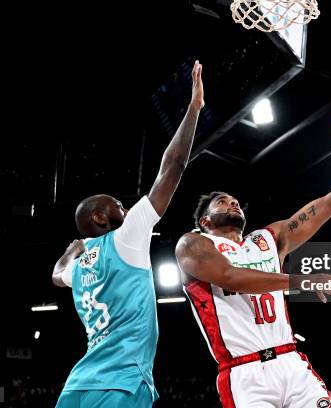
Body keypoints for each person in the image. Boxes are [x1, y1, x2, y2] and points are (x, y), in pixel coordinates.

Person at [175, 117, 331, 408]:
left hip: (291, 363)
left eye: (234, 201)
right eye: (222, 202)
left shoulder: (269, 238)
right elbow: (229, 276)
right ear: (205, 220)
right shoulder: (193, 244)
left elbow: (329, 203)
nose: (233, 203)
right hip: (244, 374)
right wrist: (301, 281)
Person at [51, 60, 205, 408]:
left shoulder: (78, 269)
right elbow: (173, 166)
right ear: (101, 218)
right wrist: (193, 108)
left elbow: (56, 274)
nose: (126, 208)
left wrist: (72, 250)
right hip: (122, 382)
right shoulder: (125, 238)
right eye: (118, 205)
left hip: (76, 387)